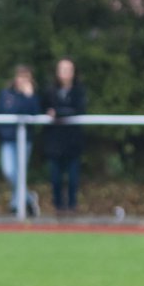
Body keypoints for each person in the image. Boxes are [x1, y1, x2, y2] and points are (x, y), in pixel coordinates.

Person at [0, 64, 42, 216]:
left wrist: (29, 97)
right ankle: (28, 198)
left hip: (24, 140)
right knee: (9, 171)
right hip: (8, 139)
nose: (22, 80)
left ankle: (16, 205)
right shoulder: (6, 94)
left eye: (26, 77)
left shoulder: (32, 95)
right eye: (20, 76)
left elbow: (33, 114)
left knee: (20, 172)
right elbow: (0, 113)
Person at [43, 57, 87, 215]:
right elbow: (44, 109)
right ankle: (58, 206)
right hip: (54, 142)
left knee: (73, 178)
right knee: (55, 178)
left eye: (69, 69)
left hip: (73, 142)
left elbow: (79, 110)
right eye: (62, 69)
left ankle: (72, 205)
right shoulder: (50, 90)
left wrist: (58, 113)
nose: (65, 73)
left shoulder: (79, 91)